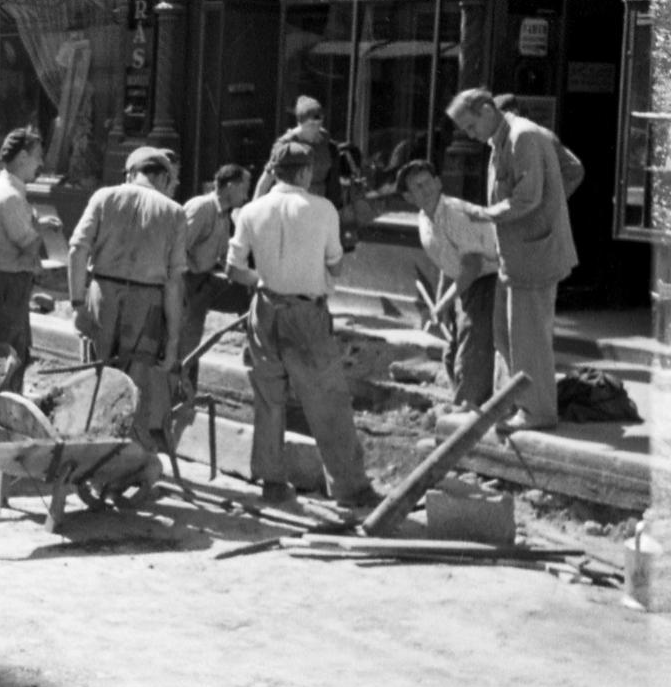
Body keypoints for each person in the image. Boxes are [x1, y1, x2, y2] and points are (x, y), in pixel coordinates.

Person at [227, 140, 375, 509]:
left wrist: (264, 280)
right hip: (306, 313)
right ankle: (350, 488)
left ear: (274, 172)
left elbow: (233, 270)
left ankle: (272, 483)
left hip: (264, 310)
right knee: (327, 399)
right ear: (307, 172)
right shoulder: (323, 209)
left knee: (268, 398)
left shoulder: (249, 210)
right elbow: (336, 266)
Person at [447, 87, 578, 430]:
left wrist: (485, 214)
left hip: (533, 254)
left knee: (529, 337)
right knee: (506, 335)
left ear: (488, 109)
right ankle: (515, 405)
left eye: (471, 126)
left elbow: (527, 197)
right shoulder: (504, 139)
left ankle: (538, 413)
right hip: (517, 254)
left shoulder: (523, 137)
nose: (471, 136)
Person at [67, 145, 188, 435]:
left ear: (132, 174)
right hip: (147, 304)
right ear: (164, 178)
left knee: (95, 377)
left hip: (103, 294)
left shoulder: (104, 197)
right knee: (134, 386)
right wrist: (172, 341)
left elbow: (76, 251)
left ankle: (86, 449)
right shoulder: (174, 212)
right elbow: (173, 283)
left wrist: (78, 303)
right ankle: (123, 457)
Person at [397, 159, 499, 409]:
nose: (426, 189)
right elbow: (449, 263)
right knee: (451, 354)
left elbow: (473, 265)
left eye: (428, 182)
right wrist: (444, 303)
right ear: (409, 197)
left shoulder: (454, 213)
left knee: (472, 352)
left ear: (439, 182)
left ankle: (468, 409)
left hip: (490, 280)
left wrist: (444, 301)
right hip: (466, 283)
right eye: (417, 187)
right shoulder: (424, 219)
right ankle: (464, 404)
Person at [0, 128, 51, 362]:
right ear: (22, 158)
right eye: (38, 155)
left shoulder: (3, 190)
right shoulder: (10, 196)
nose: (41, 162)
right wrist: (37, 230)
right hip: (7, 285)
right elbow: (29, 245)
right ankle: (6, 398)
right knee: (9, 354)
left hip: (1, 283)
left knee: (5, 350)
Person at [177, 163, 253, 385]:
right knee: (188, 344)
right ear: (230, 186)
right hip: (187, 283)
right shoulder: (203, 208)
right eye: (244, 188)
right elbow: (177, 248)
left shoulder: (224, 215)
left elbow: (223, 256)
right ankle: (181, 390)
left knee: (248, 294)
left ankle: (252, 348)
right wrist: (185, 290)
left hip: (204, 281)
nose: (247, 195)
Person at [253, 95, 347, 208]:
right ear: (300, 123)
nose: (316, 129)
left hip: (320, 204)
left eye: (319, 124)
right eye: (311, 124)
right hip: (294, 204)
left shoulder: (324, 139)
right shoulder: (285, 145)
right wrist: (252, 211)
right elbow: (265, 180)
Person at [491, 94, 585, 198]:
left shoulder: (538, 136)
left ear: (513, 112)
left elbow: (574, 170)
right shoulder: (500, 141)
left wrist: (544, 201)